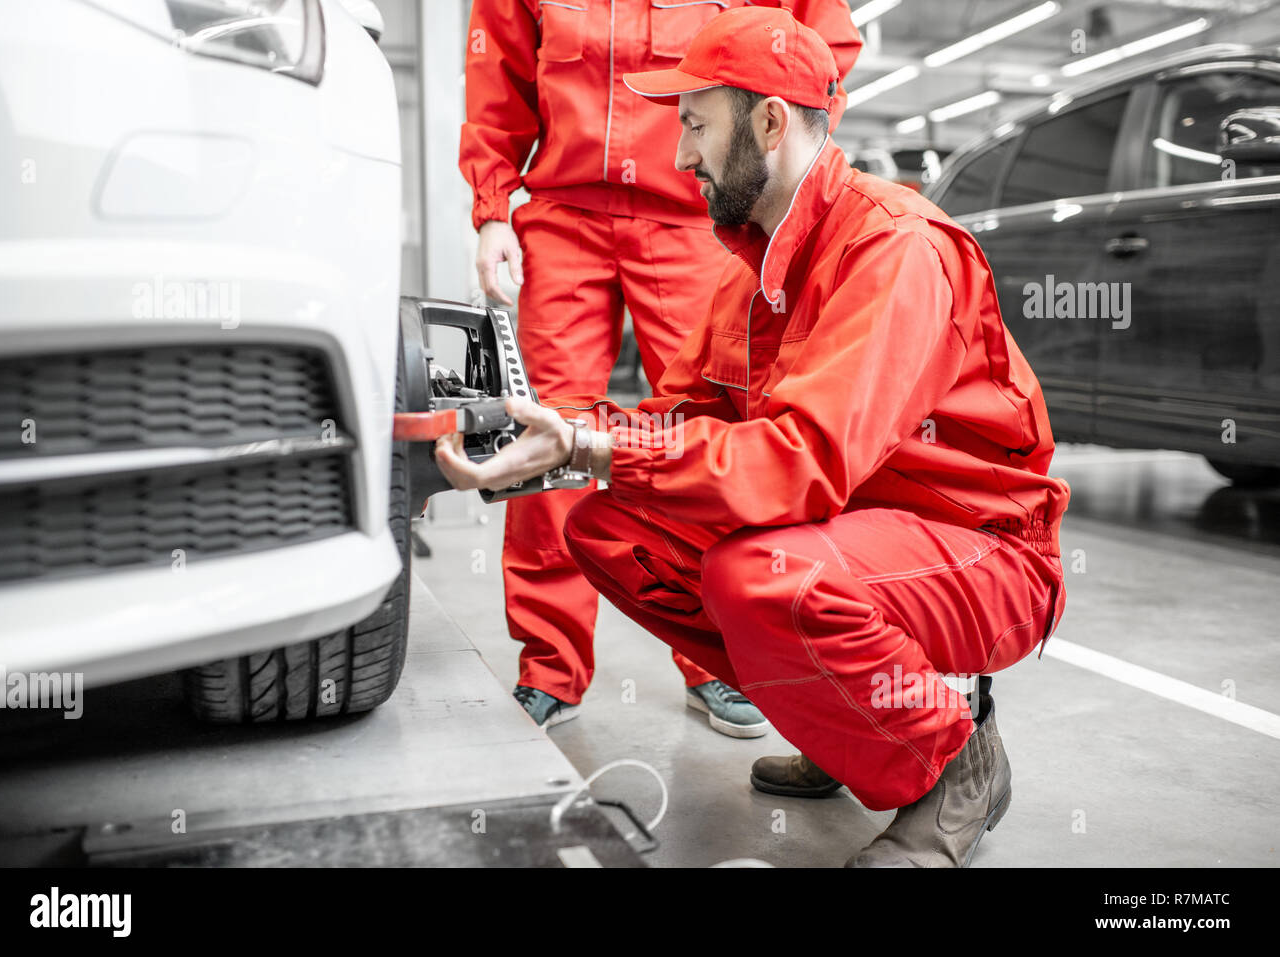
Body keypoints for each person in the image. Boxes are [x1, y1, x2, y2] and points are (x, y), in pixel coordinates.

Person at [439, 5, 1070, 867]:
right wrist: (570, 436)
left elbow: (797, 464)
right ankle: (849, 728)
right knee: (610, 529)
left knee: (761, 576)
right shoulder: (752, 269)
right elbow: (683, 417)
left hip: (978, 547)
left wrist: (599, 451)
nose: (681, 155)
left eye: (696, 125)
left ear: (770, 122)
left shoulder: (893, 249)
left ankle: (957, 764)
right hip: (859, 526)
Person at [459, 0, 862, 736]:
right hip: (563, 216)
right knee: (546, 437)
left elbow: (824, 43)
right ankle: (549, 665)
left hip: (695, 217)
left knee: (707, 431)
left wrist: (775, 168)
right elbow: (498, 78)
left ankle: (718, 659)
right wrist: (492, 210)